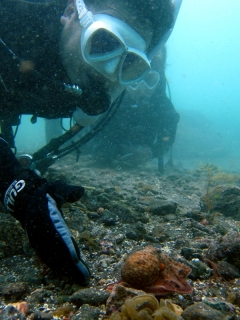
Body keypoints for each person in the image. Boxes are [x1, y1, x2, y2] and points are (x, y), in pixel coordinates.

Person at [0, 0, 182, 285]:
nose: (107, 71)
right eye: (103, 43)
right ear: (70, 12)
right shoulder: (9, 22)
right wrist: (14, 183)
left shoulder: (98, 85)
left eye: (129, 62)